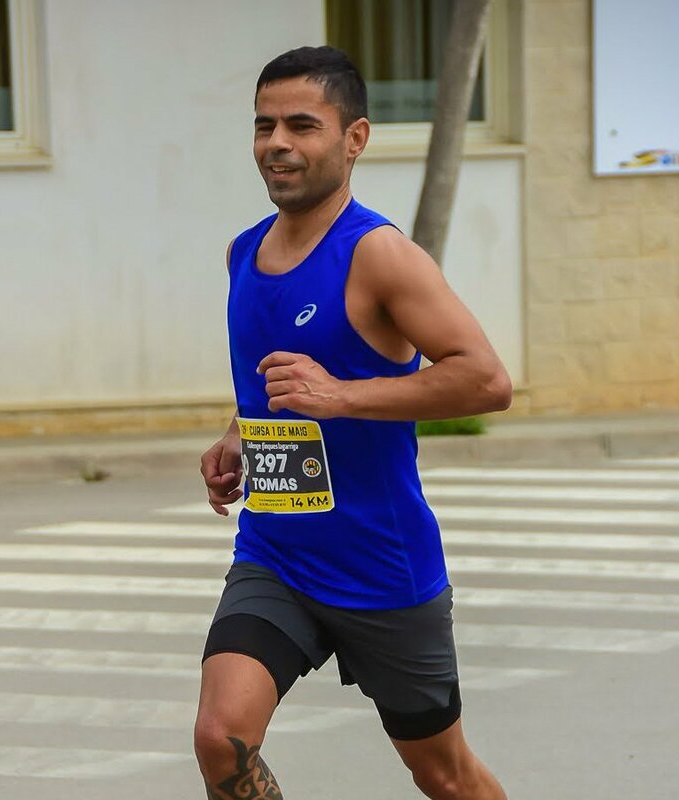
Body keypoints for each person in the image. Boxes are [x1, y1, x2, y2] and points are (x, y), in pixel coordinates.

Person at [195, 45, 511, 800]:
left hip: (382, 568)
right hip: (276, 553)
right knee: (221, 737)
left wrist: (342, 397)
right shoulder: (244, 253)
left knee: (445, 776)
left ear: (354, 138)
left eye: (302, 125)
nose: (277, 143)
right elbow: (277, 381)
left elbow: (486, 379)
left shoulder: (380, 255)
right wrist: (239, 432)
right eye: (265, 125)